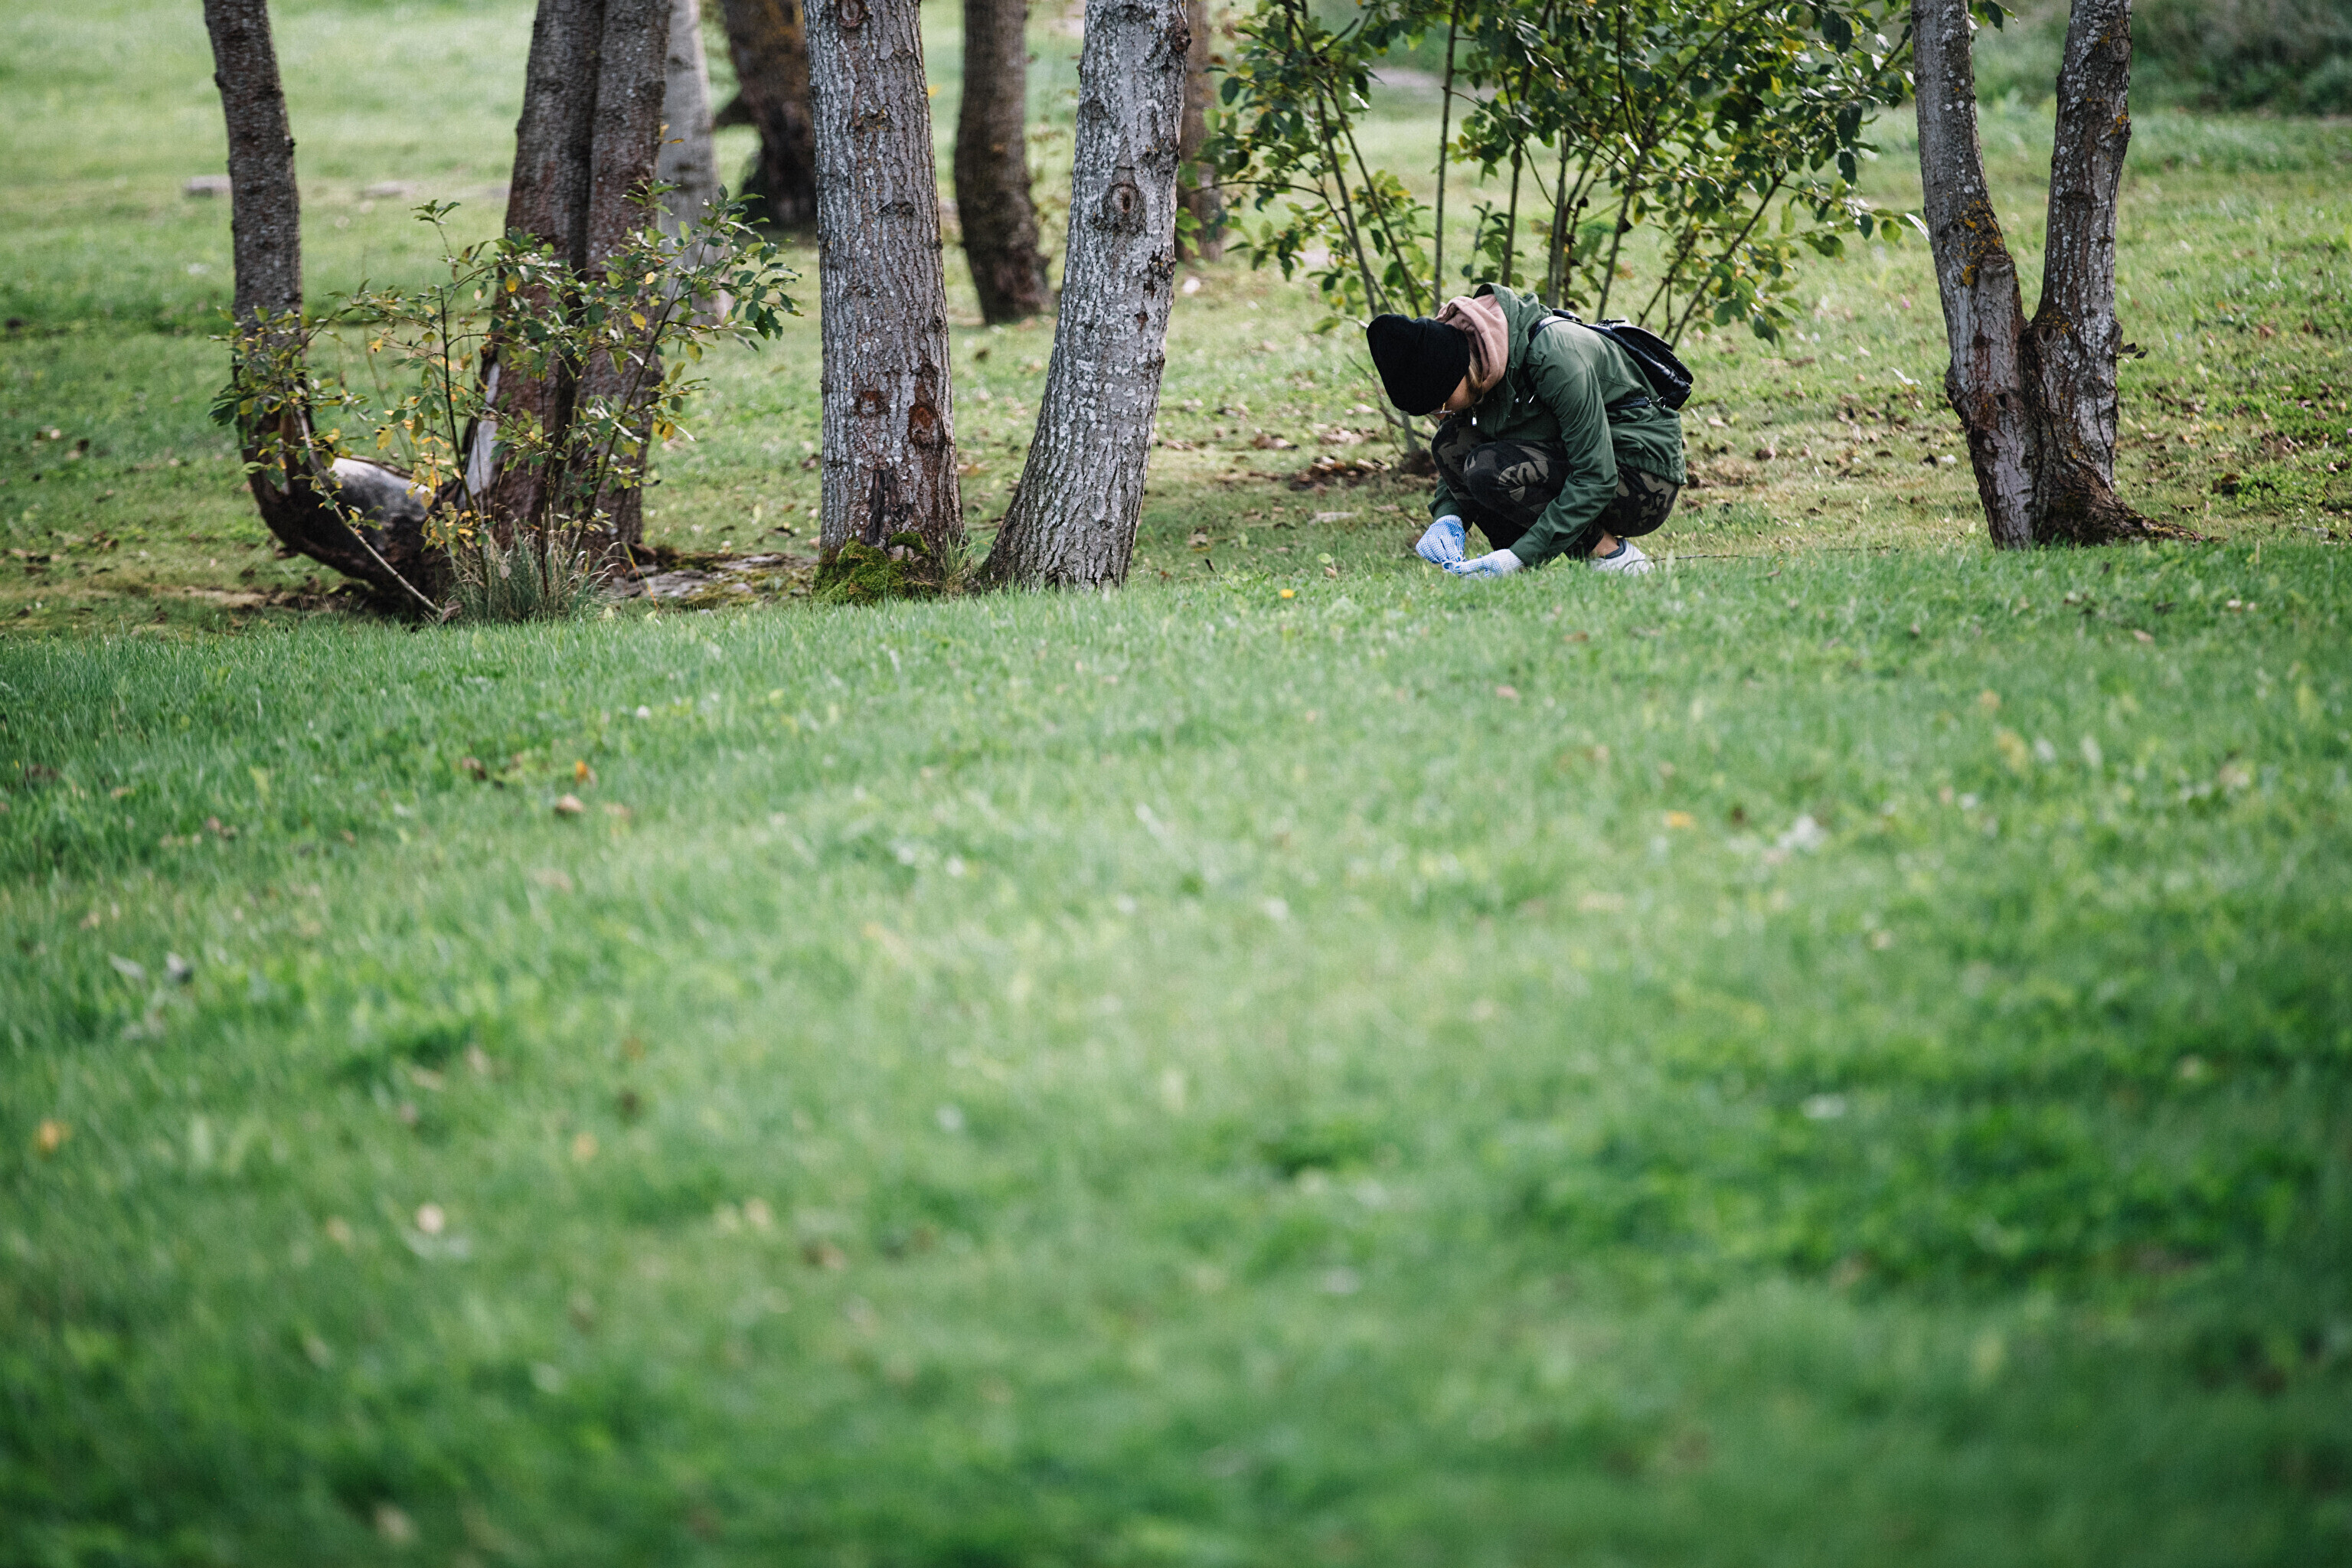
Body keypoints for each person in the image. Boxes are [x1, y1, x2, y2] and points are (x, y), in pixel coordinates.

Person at [1367, 282, 1687, 577]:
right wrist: (1448, 517)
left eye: (1441, 404)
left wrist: (1519, 556)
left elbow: (1596, 476)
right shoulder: (1476, 355)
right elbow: (1456, 450)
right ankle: (1517, 575)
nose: (1441, 415)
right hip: (1581, 461)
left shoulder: (1554, 357)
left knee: (1488, 468)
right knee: (1449, 442)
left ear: (1458, 371)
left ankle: (1613, 556)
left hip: (1641, 478)